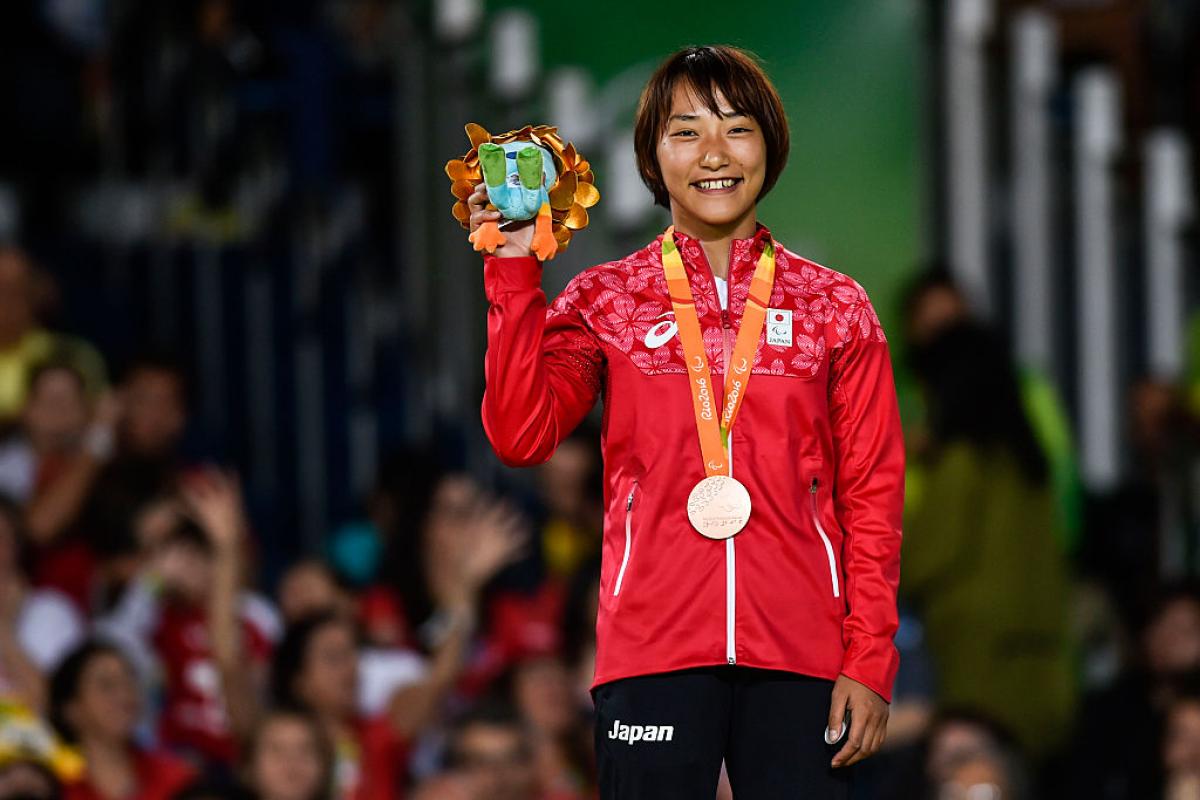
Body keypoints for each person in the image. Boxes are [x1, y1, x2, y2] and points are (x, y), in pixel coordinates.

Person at [471, 45, 904, 797]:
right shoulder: (606, 300)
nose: (714, 154)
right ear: (650, 156)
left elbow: (872, 496)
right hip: (651, 649)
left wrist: (868, 661)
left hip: (802, 654)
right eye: (685, 131)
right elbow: (521, 433)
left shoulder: (837, 308)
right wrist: (513, 269)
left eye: (737, 129)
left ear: (771, 146)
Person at [901, 321, 1076, 761]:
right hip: (1041, 656)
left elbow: (924, 557)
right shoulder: (1027, 463)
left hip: (977, 668)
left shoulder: (962, 462)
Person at [48, 641, 195, 800]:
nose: (124, 694)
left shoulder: (177, 777)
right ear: (71, 709)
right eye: (107, 686)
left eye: (129, 680)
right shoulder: (54, 788)